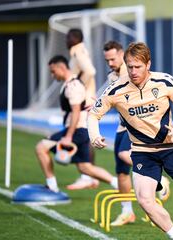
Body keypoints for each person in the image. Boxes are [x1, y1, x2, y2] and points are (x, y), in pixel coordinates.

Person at [87, 43, 173, 240]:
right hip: (143, 152)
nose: (133, 72)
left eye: (138, 67)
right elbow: (93, 115)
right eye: (130, 66)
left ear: (148, 64)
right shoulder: (115, 89)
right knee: (145, 201)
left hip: (172, 147)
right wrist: (94, 135)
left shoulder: (165, 81)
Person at [103, 40, 170, 227]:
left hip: (135, 128)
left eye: (113, 58)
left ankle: (160, 180)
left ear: (122, 55)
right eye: (107, 60)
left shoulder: (131, 74)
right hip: (120, 127)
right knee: (121, 173)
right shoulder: (112, 76)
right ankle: (127, 212)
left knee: (124, 155)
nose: (110, 63)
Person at [35, 55, 118, 193]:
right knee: (85, 168)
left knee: (41, 147)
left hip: (78, 131)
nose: (52, 74)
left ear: (61, 67)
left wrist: (68, 136)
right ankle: (117, 183)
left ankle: (52, 186)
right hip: (80, 130)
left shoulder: (73, 86)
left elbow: (76, 112)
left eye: (53, 71)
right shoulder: (69, 83)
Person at [66, 28, 99, 190]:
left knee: (82, 136)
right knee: (86, 138)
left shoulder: (78, 52)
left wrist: (79, 85)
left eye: (68, 37)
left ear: (73, 38)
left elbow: (90, 71)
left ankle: (87, 176)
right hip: (86, 99)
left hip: (84, 101)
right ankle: (89, 176)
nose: (66, 40)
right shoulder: (78, 51)